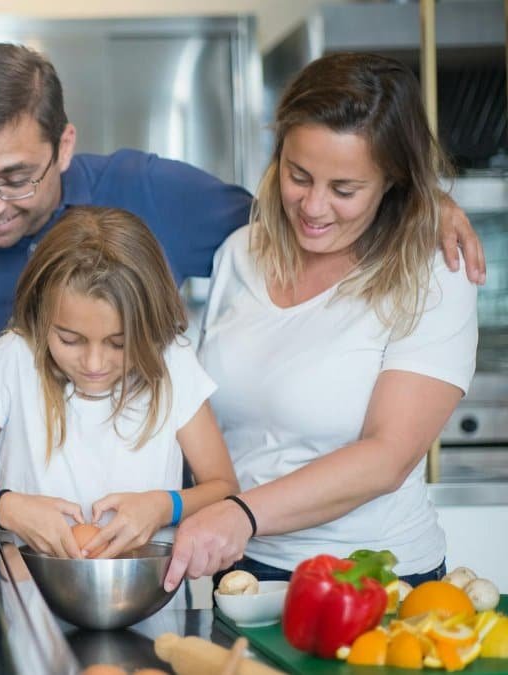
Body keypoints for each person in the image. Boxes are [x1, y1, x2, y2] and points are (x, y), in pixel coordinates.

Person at [0, 43, 485, 488]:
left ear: (63, 145)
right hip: (10, 555)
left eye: (15, 179)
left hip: (160, 549)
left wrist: (415, 200)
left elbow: (302, 217)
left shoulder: (151, 191)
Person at [161, 52, 478, 593]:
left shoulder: (434, 270)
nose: (312, 206)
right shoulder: (241, 252)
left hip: (372, 580)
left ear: (392, 182)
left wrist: (242, 513)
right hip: (241, 574)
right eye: (298, 175)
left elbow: (388, 457)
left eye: (344, 190)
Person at [0, 207, 239, 563]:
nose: (94, 364)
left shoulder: (172, 362)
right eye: (70, 340)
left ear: (151, 326)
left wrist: (166, 506)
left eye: (118, 343)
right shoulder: (15, 357)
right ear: (40, 315)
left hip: (147, 598)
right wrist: (6, 508)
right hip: (28, 596)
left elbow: (224, 489)